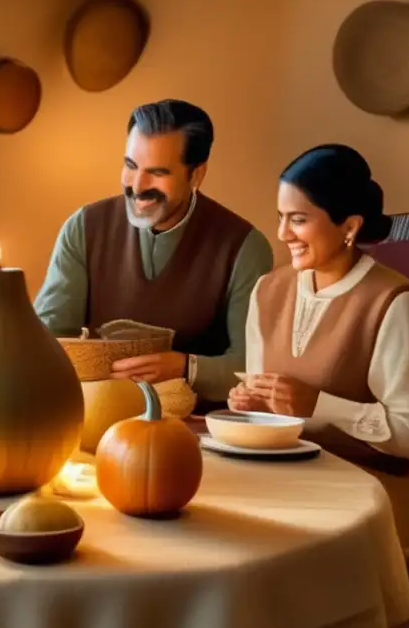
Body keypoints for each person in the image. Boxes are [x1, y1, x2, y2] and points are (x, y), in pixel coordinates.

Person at [230, 143, 409, 550]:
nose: (282, 234)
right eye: (281, 218)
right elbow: (270, 403)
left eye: (299, 219)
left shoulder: (396, 304)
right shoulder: (267, 290)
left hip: (370, 494)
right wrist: (254, 404)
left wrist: (318, 404)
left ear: (350, 226)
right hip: (284, 478)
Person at [34, 99, 274, 408]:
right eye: (131, 166)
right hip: (95, 419)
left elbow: (253, 369)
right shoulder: (83, 228)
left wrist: (185, 367)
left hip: (204, 433)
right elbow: (46, 340)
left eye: (157, 173)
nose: (137, 186)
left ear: (196, 175)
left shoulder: (245, 247)